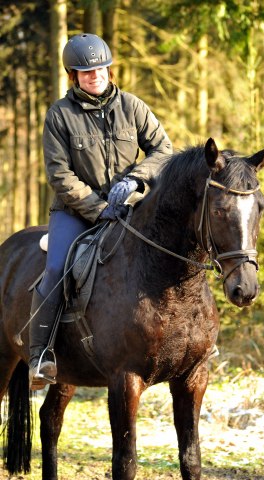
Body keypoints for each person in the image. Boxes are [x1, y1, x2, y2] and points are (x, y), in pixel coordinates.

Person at [29, 33, 173, 389]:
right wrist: (97, 209)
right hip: (75, 211)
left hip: (129, 206)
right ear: (73, 75)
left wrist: (137, 181)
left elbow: (163, 149)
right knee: (56, 268)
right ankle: (41, 354)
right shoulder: (59, 116)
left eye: (100, 68)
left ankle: (192, 340)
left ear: (110, 69)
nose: (96, 75)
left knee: (176, 247)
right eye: (86, 71)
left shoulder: (133, 107)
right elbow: (59, 175)